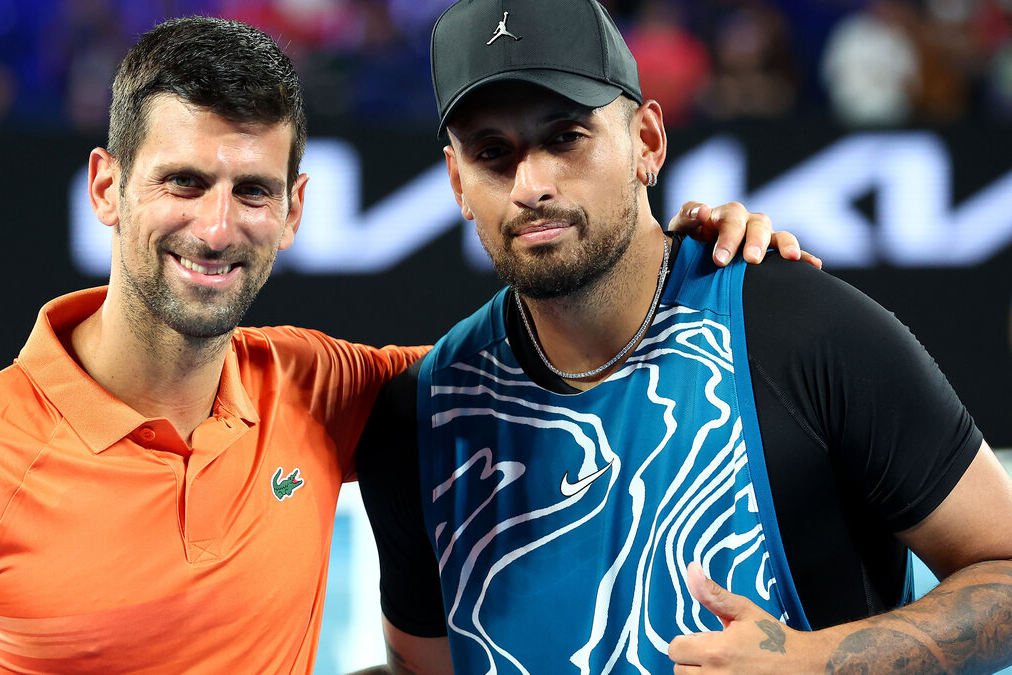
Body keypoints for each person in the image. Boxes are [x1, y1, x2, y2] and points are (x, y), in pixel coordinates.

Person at [0, 14, 798, 674]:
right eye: (184, 182)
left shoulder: (316, 388)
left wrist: (684, 261)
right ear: (107, 187)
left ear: (294, 211)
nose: (216, 227)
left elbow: (555, 358)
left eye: (252, 191)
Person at [355, 0, 1012, 673]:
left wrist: (816, 663)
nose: (532, 185)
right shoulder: (421, 418)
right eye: (493, 153)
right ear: (458, 182)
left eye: (565, 137)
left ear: (647, 141)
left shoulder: (802, 331)